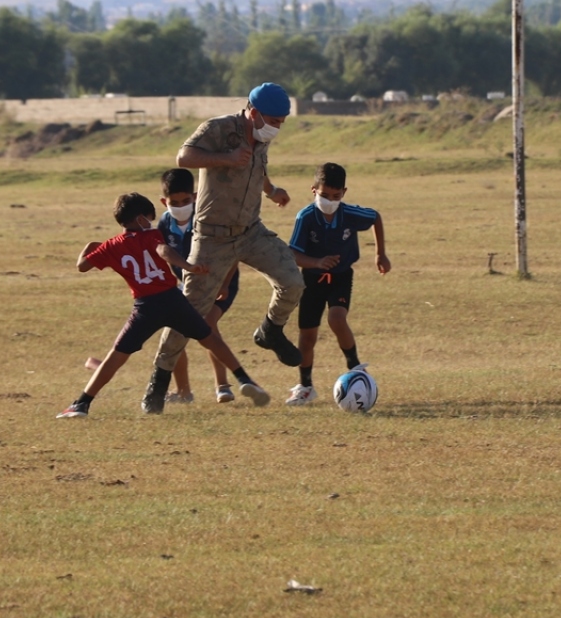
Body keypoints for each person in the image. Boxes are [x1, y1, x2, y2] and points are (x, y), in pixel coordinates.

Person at [141, 82, 305, 415]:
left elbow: (257, 170)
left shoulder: (260, 137)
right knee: (190, 313)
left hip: (251, 231)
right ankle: (158, 382)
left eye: (282, 122)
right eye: (273, 120)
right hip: (212, 237)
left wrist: (272, 191)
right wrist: (225, 158)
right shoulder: (219, 129)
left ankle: (270, 331)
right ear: (254, 112)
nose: (277, 127)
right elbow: (183, 157)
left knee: (293, 282)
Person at [57, 192, 269, 418]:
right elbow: (163, 251)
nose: (151, 223)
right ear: (141, 219)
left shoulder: (111, 247)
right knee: (210, 339)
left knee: (116, 356)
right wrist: (186, 265)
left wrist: (91, 245)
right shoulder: (152, 236)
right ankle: (245, 379)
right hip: (172, 300)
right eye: (149, 218)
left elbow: (82, 266)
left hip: (145, 308)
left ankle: (82, 404)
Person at [284, 162, 390, 406]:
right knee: (307, 337)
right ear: (313, 191)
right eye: (324, 195)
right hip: (311, 280)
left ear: (344, 192)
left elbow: (375, 218)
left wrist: (380, 254)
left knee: (336, 319)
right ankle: (305, 386)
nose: (329, 201)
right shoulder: (306, 217)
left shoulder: (350, 214)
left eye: (335, 196)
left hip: (341, 277)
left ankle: (355, 367)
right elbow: (293, 253)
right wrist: (317, 262)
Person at [155, 168, 242, 405]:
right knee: (174, 333)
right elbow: (164, 255)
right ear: (165, 201)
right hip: (189, 287)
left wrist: (224, 283)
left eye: (186, 201)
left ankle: (223, 386)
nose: (181, 205)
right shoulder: (164, 224)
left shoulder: (208, 217)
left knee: (207, 325)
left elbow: (233, 252)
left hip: (221, 283)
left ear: (195, 196)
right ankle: (184, 392)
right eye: (174, 202)